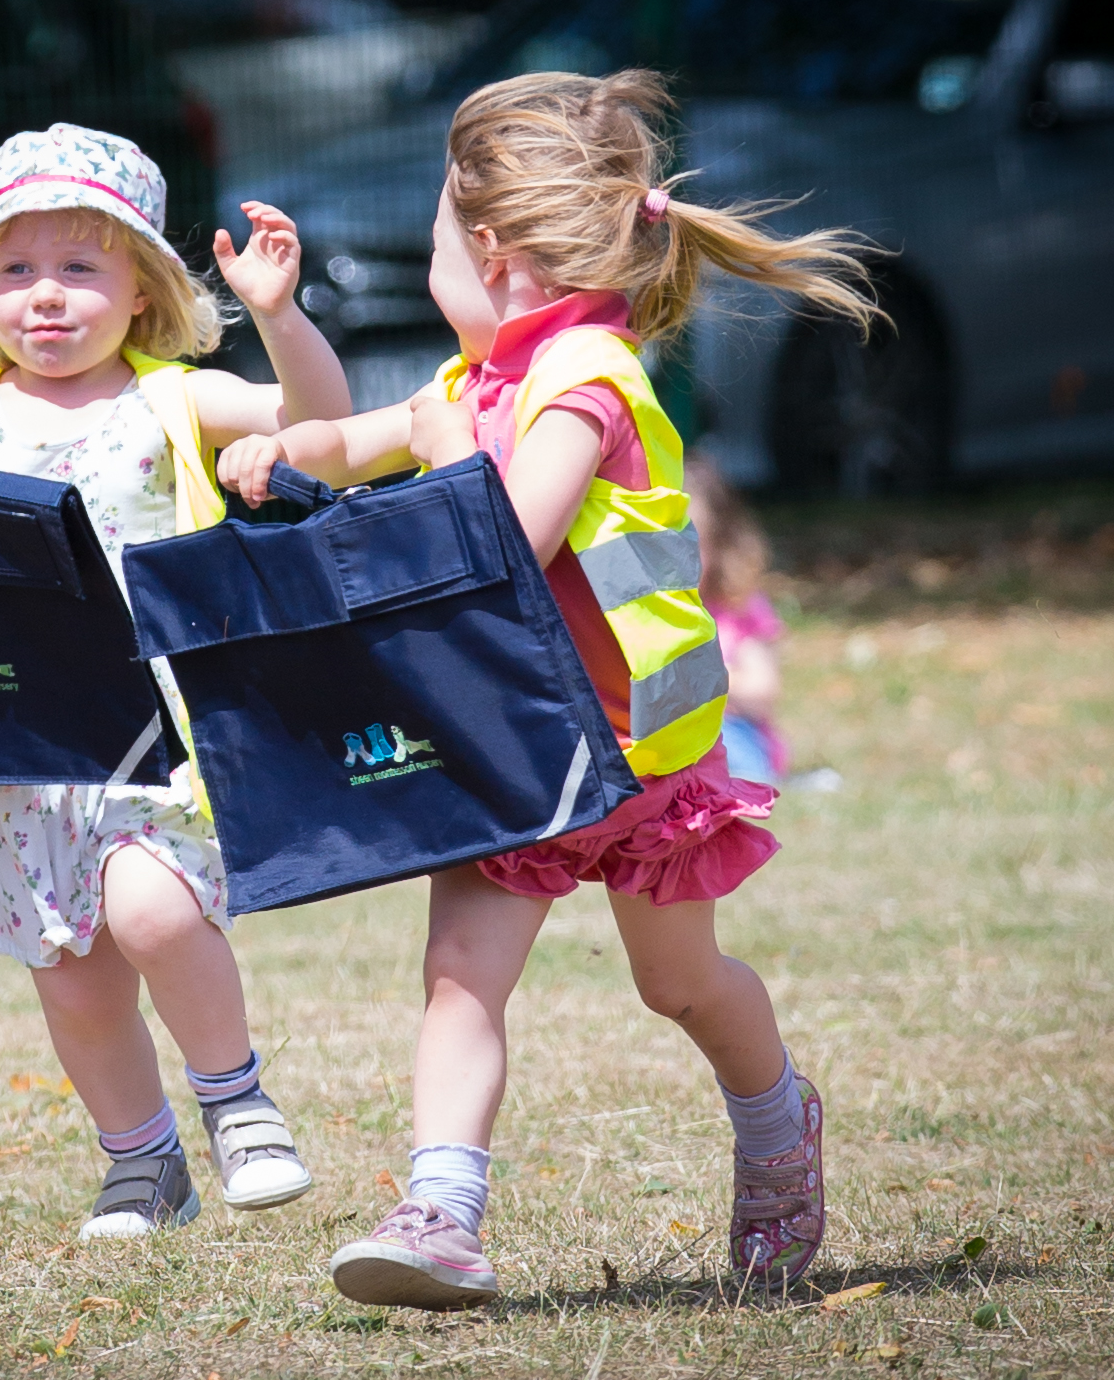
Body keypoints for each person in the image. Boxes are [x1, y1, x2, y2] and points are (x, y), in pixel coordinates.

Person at [218, 69, 878, 1306]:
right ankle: (443, 1216)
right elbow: (352, 441)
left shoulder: (586, 377)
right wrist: (279, 450)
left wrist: (427, 460)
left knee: (677, 982)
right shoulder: (477, 380)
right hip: (513, 745)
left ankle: (780, 1122)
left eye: (429, 248)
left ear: (488, 251)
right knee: (461, 973)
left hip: (629, 755)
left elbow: (510, 539)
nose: (430, 272)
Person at [0, 124, 353, 1238]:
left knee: (150, 910)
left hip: (160, 728)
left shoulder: (175, 401)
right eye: (15, 270)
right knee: (73, 974)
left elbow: (316, 420)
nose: (44, 297)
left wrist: (279, 316)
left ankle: (237, 1102)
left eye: (80, 268)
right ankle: (141, 1162)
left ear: (142, 291)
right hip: (18, 743)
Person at [688, 456, 788, 786]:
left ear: (721, 545)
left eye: (692, 544)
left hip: (731, 734)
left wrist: (699, 672)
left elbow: (762, 691)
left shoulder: (738, 607)